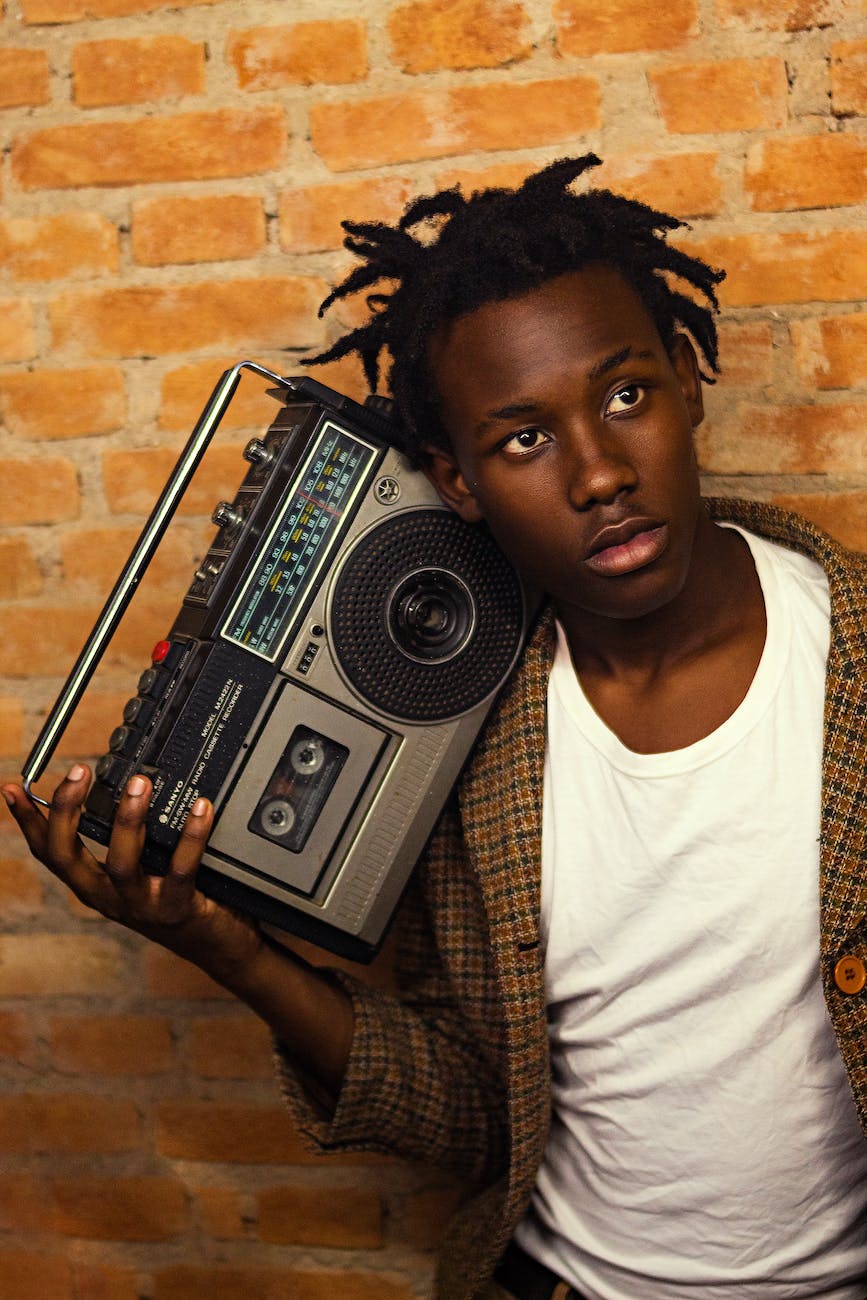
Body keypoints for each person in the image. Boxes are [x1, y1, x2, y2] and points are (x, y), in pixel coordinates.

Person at [4, 154, 867, 1300]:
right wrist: (227, 947)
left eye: (624, 395)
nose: (600, 472)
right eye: (523, 440)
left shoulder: (850, 655)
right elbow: (472, 1106)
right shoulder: (458, 740)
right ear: (457, 482)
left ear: (688, 382)